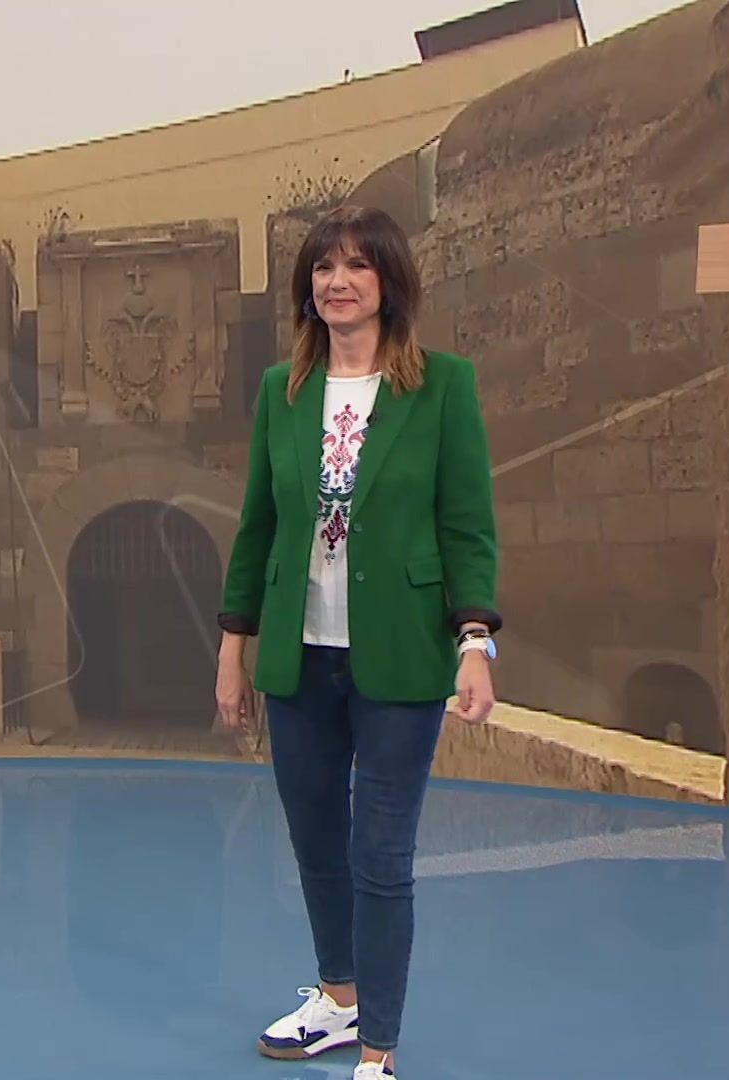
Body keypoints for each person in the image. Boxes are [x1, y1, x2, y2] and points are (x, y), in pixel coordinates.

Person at [213, 205, 502, 1079]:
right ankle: (338, 999)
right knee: (314, 839)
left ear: (388, 282)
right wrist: (233, 648)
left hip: (401, 658)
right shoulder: (283, 391)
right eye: (323, 268)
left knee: (380, 853)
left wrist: (476, 641)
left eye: (357, 266)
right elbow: (258, 527)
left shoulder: (443, 387)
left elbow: (466, 525)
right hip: (299, 659)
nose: (337, 282)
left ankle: (378, 1050)